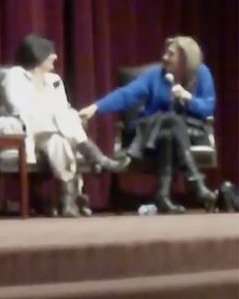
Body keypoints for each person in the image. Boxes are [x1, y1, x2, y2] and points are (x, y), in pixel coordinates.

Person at [79, 35, 217, 213]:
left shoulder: (202, 74)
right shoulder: (155, 76)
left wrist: (187, 97)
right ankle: (190, 184)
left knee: (171, 124)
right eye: (165, 52)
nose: (164, 57)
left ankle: (163, 192)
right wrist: (95, 107)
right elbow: (126, 94)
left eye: (171, 54)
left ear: (185, 59)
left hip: (189, 133)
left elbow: (207, 108)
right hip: (156, 133)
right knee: (169, 125)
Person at [1, 34, 129, 217]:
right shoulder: (15, 75)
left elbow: (63, 106)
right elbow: (16, 107)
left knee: (59, 142)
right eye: (50, 53)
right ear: (38, 55)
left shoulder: (54, 80)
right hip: (25, 131)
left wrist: (59, 115)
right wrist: (51, 113)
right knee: (65, 117)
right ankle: (99, 158)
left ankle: (68, 202)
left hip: (52, 133)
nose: (55, 57)